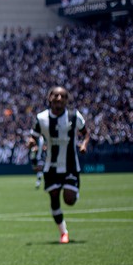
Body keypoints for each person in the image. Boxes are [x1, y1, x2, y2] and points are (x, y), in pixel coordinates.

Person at [27, 86, 90, 244]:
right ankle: (63, 232)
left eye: (62, 96)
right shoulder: (41, 118)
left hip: (70, 165)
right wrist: (31, 142)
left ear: (67, 100)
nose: (59, 98)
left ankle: (74, 192)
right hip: (51, 167)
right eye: (56, 95)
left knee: (69, 200)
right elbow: (33, 136)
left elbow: (85, 133)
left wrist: (84, 144)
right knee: (54, 198)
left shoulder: (74, 116)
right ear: (49, 98)